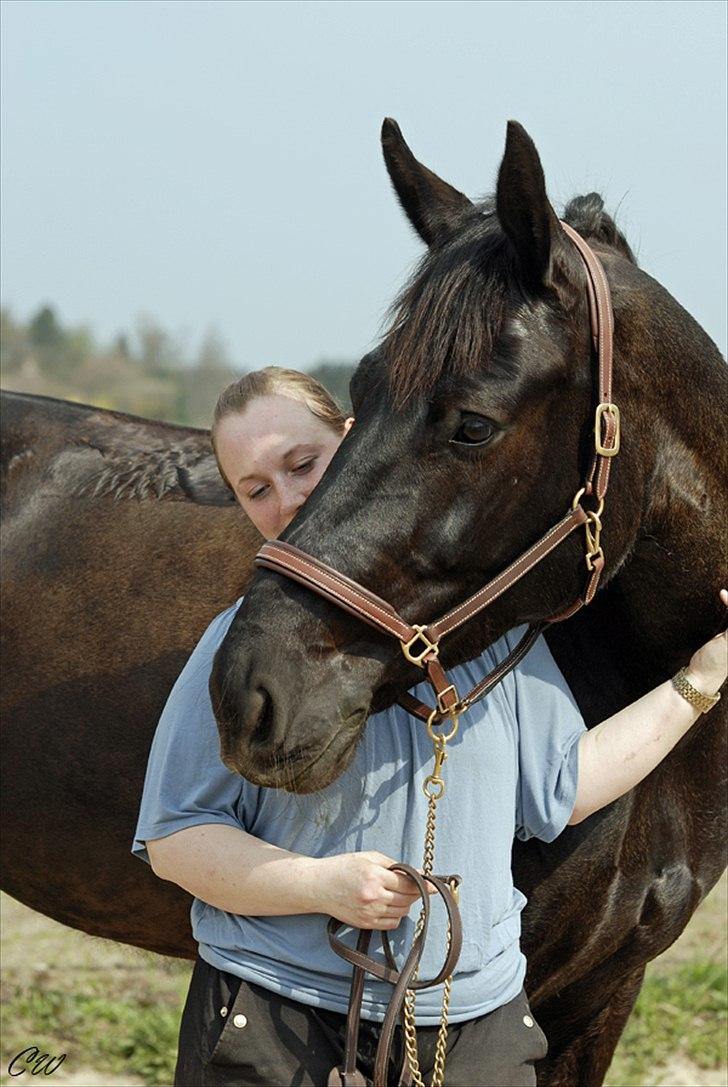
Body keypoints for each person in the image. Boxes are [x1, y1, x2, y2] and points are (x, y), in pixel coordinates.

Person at [132, 366, 727, 1087]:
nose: (287, 497)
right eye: (255, 488)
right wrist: (319, 884)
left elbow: (565, 787)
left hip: (477, 1028)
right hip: (282, 1023)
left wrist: (701, 680)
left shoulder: (491, 634)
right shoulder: (241, 644)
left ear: (355, 448)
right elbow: (175, 837)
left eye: (303, 463)